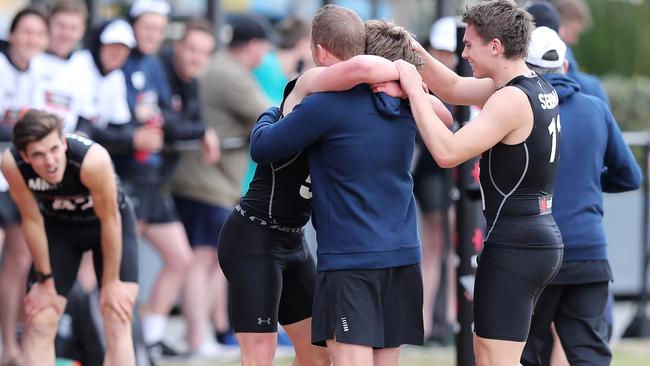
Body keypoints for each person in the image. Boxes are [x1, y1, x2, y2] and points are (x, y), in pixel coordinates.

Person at [247, 5, 455, 364]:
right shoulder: (410, 104)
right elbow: (447, 117)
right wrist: (407, 85)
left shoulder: (326, 105)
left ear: (320, 50)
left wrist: (282, 102)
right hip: (403, 254)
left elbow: (262, 147)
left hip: (350, 260)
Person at [395, 1, 563, 365]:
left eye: (469, 44)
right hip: (525, 236)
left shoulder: (510, 100)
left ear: (496, 47)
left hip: (518, 243)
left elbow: (447, 151)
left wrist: (413, 91)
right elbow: (453, 87)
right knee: (486, 355)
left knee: (497, 360)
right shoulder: (528, 85)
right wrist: (410, 48)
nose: (463, 51)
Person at [519, 26, 642, 366]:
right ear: (566, 66)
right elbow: (630, 176)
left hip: (535, 252)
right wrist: (590, 182)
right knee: (589, 355)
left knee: (523, 353)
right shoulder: (595, 109)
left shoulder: (515, 108)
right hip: (589, 252)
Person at [1, 110, 139, 366]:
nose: (51, 162)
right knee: (40, 318)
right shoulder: (11, 164)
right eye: (39, 155)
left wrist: (111, 283)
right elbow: (32, 220)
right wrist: (44, 280)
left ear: (64, 142)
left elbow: (110, 219)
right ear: (24, 156)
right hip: (60, 229)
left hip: (106, 226)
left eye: (54, 149)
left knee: (117, 315)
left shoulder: (92, 160)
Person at [169, 13, 271, 348]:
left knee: (212, 260)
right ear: (253, 45)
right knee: (202, 260)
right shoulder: (229, 73)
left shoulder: (226, 69)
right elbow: (271, 114)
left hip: (210, 182)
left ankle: (210, 333)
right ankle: (198, 336)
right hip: (204, 182)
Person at [116, 0, 194, 356]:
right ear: (132, 26)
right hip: (122, 177)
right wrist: (135, 134)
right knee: (109, 267)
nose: (153, 35)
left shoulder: (155, 63)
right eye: (147, 27)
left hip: (151, 178)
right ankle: (94, 337)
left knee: (181, 257)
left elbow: (169, 115)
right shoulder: (117, 61)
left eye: (160, 29)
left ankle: (151, 337)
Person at [160, 20, 228, 357]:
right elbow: (164, 122)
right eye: (191, 49)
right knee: (193, 260)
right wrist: (199, 132)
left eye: (203, 52)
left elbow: (192, 122)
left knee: (187, 260)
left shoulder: (194, 82)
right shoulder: (160, 72)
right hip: (182, 185)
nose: (196, 57)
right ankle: (195, 338)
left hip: (164, 184)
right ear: (178, 47)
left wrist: (201, 131)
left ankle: (189, 337)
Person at [0, 8, 48, 365]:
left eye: (38, 33)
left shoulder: (39, 72)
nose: (31, 39)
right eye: (25, 32)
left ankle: (11, 346)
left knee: (19, 261)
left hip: (17, 178)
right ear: (12, 34)